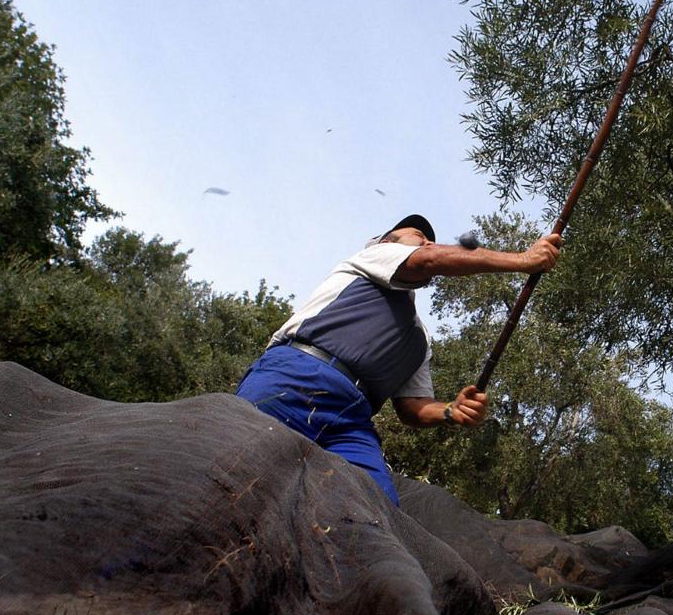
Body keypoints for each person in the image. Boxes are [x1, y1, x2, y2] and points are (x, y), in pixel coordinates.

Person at [236, 214, 562, 506]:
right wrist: (523, 260)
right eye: (417, 236)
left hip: (352, 419)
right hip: (294, 376)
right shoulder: (370, 258)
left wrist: (451, 410)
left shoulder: (419, 339)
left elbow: (413, 408)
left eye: (429, 239)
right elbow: (428, 260)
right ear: (385, 240)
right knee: (238, 467)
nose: (428, 242)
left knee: (374, 506)